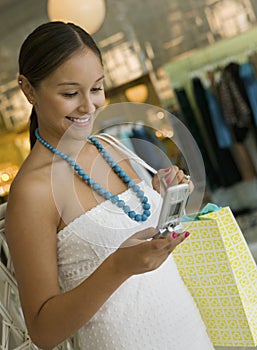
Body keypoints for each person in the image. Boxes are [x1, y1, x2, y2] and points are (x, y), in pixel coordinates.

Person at [5, 21, 214, 350]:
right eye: (70, 93)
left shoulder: (111, 147)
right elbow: (43, 331)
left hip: (189, 332)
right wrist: (118, 267)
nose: (89, 106)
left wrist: (163, 195)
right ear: (29, 90)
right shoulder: (32, 193)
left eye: (97, 88)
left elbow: (138, 231)